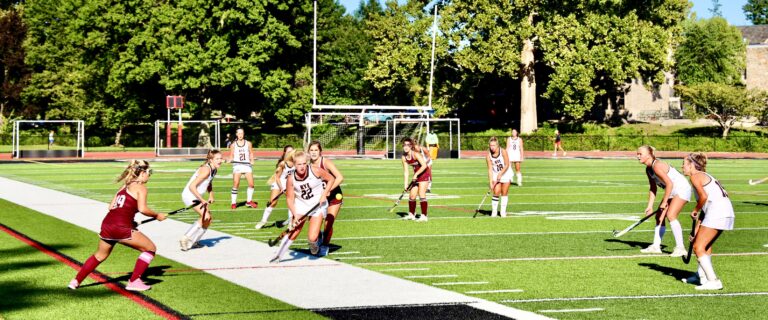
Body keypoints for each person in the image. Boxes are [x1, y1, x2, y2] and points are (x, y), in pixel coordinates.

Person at [68, 160, 166, 291]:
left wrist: (129, 221)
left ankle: (75, 281)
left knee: (100, 255)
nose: (150, 175)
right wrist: (157, 215)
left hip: (108, 224)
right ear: (142, 173)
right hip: (120, 227)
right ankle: (134, 281)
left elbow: (111, 207)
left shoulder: (124, 187)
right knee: (150, 249)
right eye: (150, 172)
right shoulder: (141, 188)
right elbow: (142, 209)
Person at [270, 151, 335, 262]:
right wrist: (295, 215)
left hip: (317, 205)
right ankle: (278, 255)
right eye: (299, 164)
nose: (302, 167)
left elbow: (331, 179)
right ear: (294, 165)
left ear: (307, 163)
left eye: (304, 163)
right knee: (293, 230)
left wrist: (324, 194)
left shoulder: (315, 170)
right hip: (301, 205)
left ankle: (315, 247)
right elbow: (290, 199)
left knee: (312, 238)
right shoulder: (291, 178)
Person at [682, 153, 734, 290]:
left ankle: (714, 281)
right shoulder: (705, 176)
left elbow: (703, 198)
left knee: (698, 247)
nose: (682, 167)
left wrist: (695, 209)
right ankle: (701, 276)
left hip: (718, 212)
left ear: (692, 165)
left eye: (684, 163)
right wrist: (696, 230)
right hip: (723, 212)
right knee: (705, 245)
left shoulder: (695, 177)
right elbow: (705, 208)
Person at [637, 145, 691, 256]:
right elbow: (653, 188)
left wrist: (664, 202)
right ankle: (656, 246)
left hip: (681, 188)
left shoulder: (656, 166)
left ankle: (680, 248)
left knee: (671, 215)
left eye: (640, 154)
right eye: (637, 154)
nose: (637, 156)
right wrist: (650, 206)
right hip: (671, 190)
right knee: (659, 217)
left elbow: (669, 184)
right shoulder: (648, 169)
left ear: (649, 155)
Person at [179, 150, 223, 251]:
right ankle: (185, 238)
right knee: (206, 216)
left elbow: (209, 182)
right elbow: (192, 186)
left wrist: (211, 195)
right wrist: (202, 200)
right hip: (190, 195)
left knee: (208, 219)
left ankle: (193, 242)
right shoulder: (206, 169)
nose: (220, 161)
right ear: (211, 160)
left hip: (196, 196)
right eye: (217, 159)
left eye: (221, 158)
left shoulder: (214, 169)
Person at [308, 141, 344, 256]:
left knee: (328, 223)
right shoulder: (308, 165)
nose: (313, 153)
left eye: (316, 150)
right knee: (315, 223)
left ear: (320, 151)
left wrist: (328, 190)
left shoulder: (326, 162)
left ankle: (324, 245)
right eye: (311, 150)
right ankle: (318, 241)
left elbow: (340, 178)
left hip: (333, 196)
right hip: (318, 198)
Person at [255, 145, 295, 229]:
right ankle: (263, 221)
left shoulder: (296, 162)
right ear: (285, 153)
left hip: (289, 184)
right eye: (288, 152)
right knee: (273, 202)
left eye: (292, 151)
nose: (290, 153)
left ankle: (290, 223)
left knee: (291, 202)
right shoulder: (282, 163)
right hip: (279, 183)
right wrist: (281, 188)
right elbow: (277, 177)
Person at [402, 137, 431, 221]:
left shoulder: (416, 154)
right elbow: (406, 172)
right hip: (416, 175)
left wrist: (416, 174)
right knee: (412, 195)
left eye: (408, 145)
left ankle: (424, 216)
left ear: (411, 146)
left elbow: (424, 166)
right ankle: (411, 214)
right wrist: (406, 185)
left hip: (424, 174)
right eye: (404, 145)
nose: (406, 146)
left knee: (421, 194)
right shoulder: (404, 157)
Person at [229, 128, 257, 209]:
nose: (240, 135)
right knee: (236, 184)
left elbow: (251, 153)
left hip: (247, 165)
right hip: (237, 165)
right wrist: (229, 160)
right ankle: (233, 203)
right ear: (236, 134)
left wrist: (252, 160)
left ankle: (249, 201)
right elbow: (231, 155)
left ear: (243, 134)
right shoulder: (233, 145)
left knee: (251, 184)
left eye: (242, 133)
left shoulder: (248, 143)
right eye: (239, 133)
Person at [487, 137, 512, 217]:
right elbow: (490, 169)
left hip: (506, 173)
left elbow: (507, 164)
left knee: (504, 192)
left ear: (497, 145)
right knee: (496, 192)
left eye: (494, 145)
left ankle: (503, 212)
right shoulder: (488, 156)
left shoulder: (503, 151)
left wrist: (501, 173)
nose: (492, 147)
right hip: (495, 174)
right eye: (491, 145)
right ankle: (494, 212)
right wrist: (491, 182)